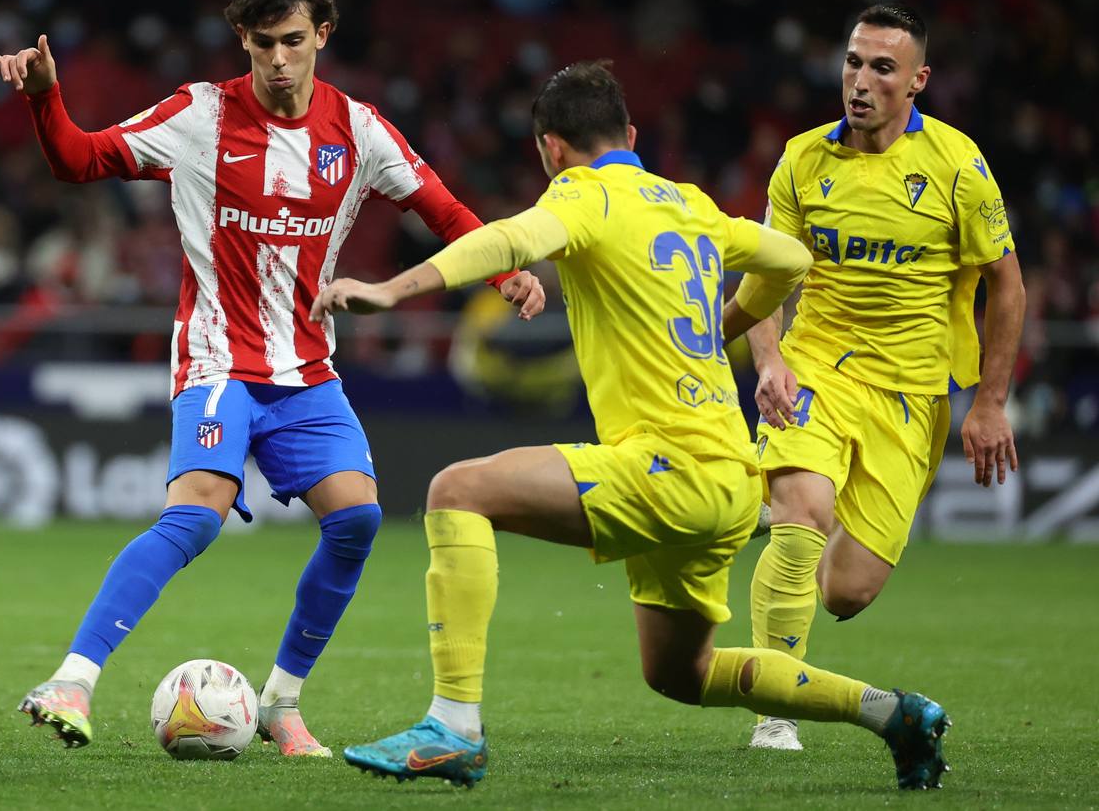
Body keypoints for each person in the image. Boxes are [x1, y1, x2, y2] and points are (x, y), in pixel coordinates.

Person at [312, 61, 951, 791]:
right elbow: (791, 256)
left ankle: (453, 726)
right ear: (632, 135)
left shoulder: (582, 195)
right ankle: (892, 713)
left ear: (551, 149)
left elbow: (506, 243)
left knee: (457, 489)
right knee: (682, 672)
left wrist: (392, 290)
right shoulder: (688, 204)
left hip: (669, 468)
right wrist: (728, 324)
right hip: (733, 482)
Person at [0, 0, 546, 757]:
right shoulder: (198, 116)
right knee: (197, 515)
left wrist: (507, 269)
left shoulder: (359, 131)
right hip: (217, 359)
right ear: (241, 40)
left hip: (307, 370)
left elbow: (447, 211)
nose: (278, 62)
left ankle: (282, 703)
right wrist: (46, 100)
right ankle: (72, 679)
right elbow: (79, 158)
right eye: (260, 44)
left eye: (291, 41)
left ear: (323, 32)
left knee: (354, 520)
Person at [740, 4, 1025, 751]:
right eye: (853, 63)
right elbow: (763, 272)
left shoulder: (957, 166)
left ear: (918, 80)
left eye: (881, 68)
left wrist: (989, 401)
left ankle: (788, 568)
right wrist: (769, 358)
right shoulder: (803, 158)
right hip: (818, 371)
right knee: (798, 517)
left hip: (912, 394)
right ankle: (777, 708)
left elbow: (1009, 283)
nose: (859, 82)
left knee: (846, 591)